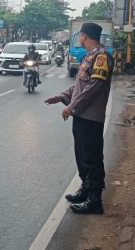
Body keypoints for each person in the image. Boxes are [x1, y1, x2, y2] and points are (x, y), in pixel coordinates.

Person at [44, 22, 114, 215]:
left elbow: (94, 87)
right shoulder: (89, 57)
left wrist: (72, 106)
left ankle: (94, 199)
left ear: (84, 36)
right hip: (82, 116)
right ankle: (85, 189)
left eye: (81, 36)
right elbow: (79, 85)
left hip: (91, 117)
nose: (80, 38)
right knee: (82, 155)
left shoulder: (101, 56)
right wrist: (61, 96)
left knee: (91, 158)